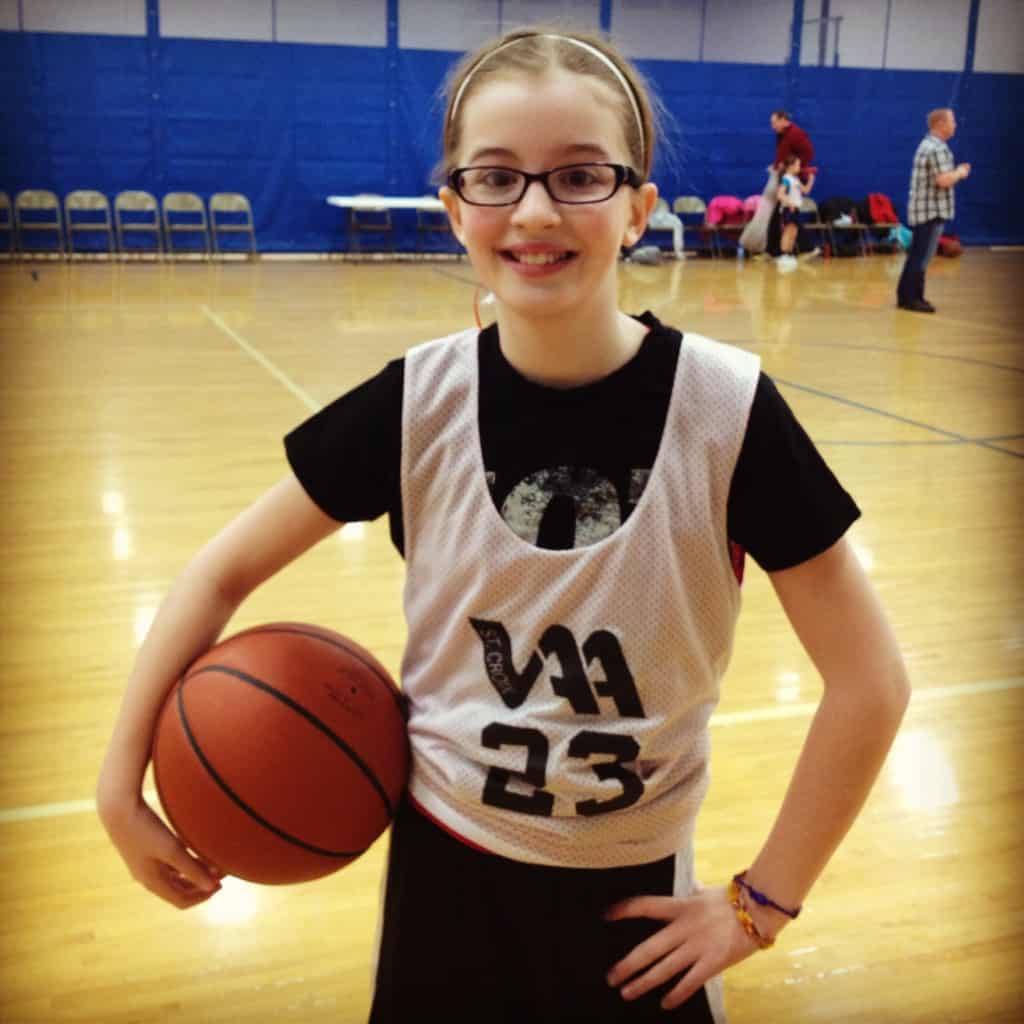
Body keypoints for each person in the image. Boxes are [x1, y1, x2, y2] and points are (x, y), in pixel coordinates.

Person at [96, 27, 910, 1024]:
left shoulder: (726, 412)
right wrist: (116, 782)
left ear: (638, 209)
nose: (532, 209)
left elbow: (870, 682)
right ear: (454, 210)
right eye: (495, 177)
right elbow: (218, 574)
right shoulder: (416, 402)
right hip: (441, 875)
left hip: (632, 899)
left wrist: (759, 905)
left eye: (578, 176)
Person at [896, 108, 970, 313]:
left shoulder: (927, 145)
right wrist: (960, 173)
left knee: (916, 255)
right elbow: (943, 180)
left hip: (923, 210)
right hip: (931, 211)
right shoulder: (937, 149)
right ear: (940, 124)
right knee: (922, 257)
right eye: (952, 121)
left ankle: (905, 296)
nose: (955, 125)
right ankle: (914, 299)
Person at [766, 110, 816, 257]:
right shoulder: (783, 136)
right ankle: (778, 251)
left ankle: (789, 251)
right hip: (788, 194)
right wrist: (776, 166)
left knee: (791, 224)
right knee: (786, 221)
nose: (773, 126)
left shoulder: (795, 134)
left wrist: (802, 173)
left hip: (791, 187)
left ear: (783, 120)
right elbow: (782, 157)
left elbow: (806, 155)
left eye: (774, 123)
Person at [775, 154, 808, 271]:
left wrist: (812, 178)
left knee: (794, 233)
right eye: (798, 165)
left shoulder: (795, 179)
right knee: (787, 232)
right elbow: (780, 194)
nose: (799, 167)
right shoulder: (786, 179)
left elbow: (805, 190)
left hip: (796, 209)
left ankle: (789, 254)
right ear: (791, 166)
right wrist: (789, 203)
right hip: (789, 209)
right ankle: (783, 255)